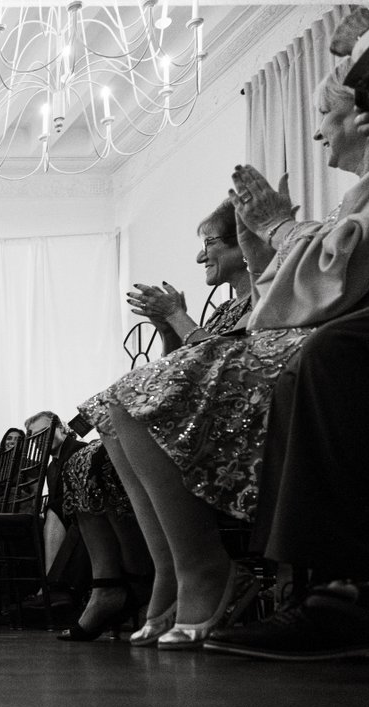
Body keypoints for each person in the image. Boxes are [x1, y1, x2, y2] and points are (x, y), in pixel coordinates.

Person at [82, 43, 369, 650]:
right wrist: (263, 235)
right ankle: (174, 573)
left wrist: (269, 229)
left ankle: (202, 570)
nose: (318, 135)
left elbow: (318, 288)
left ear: (361, 117)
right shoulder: (354, 196)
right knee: (111, 406)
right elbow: (286, 293)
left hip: (325, 349)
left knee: (137, 395)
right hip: (306, 341)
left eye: (326, 118)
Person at [61, 198, 251, 642]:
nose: (201, 256)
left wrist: (178, 317)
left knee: (121, 418)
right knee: (95, 437)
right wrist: (168, 330)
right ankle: (156, 574)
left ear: (245, 246)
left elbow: (230, 364)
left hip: (232, 422)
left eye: (211, 243)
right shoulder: (224, 309)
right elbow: (175, 371)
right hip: (198, 413)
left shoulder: (266, 297)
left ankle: (184, 573)